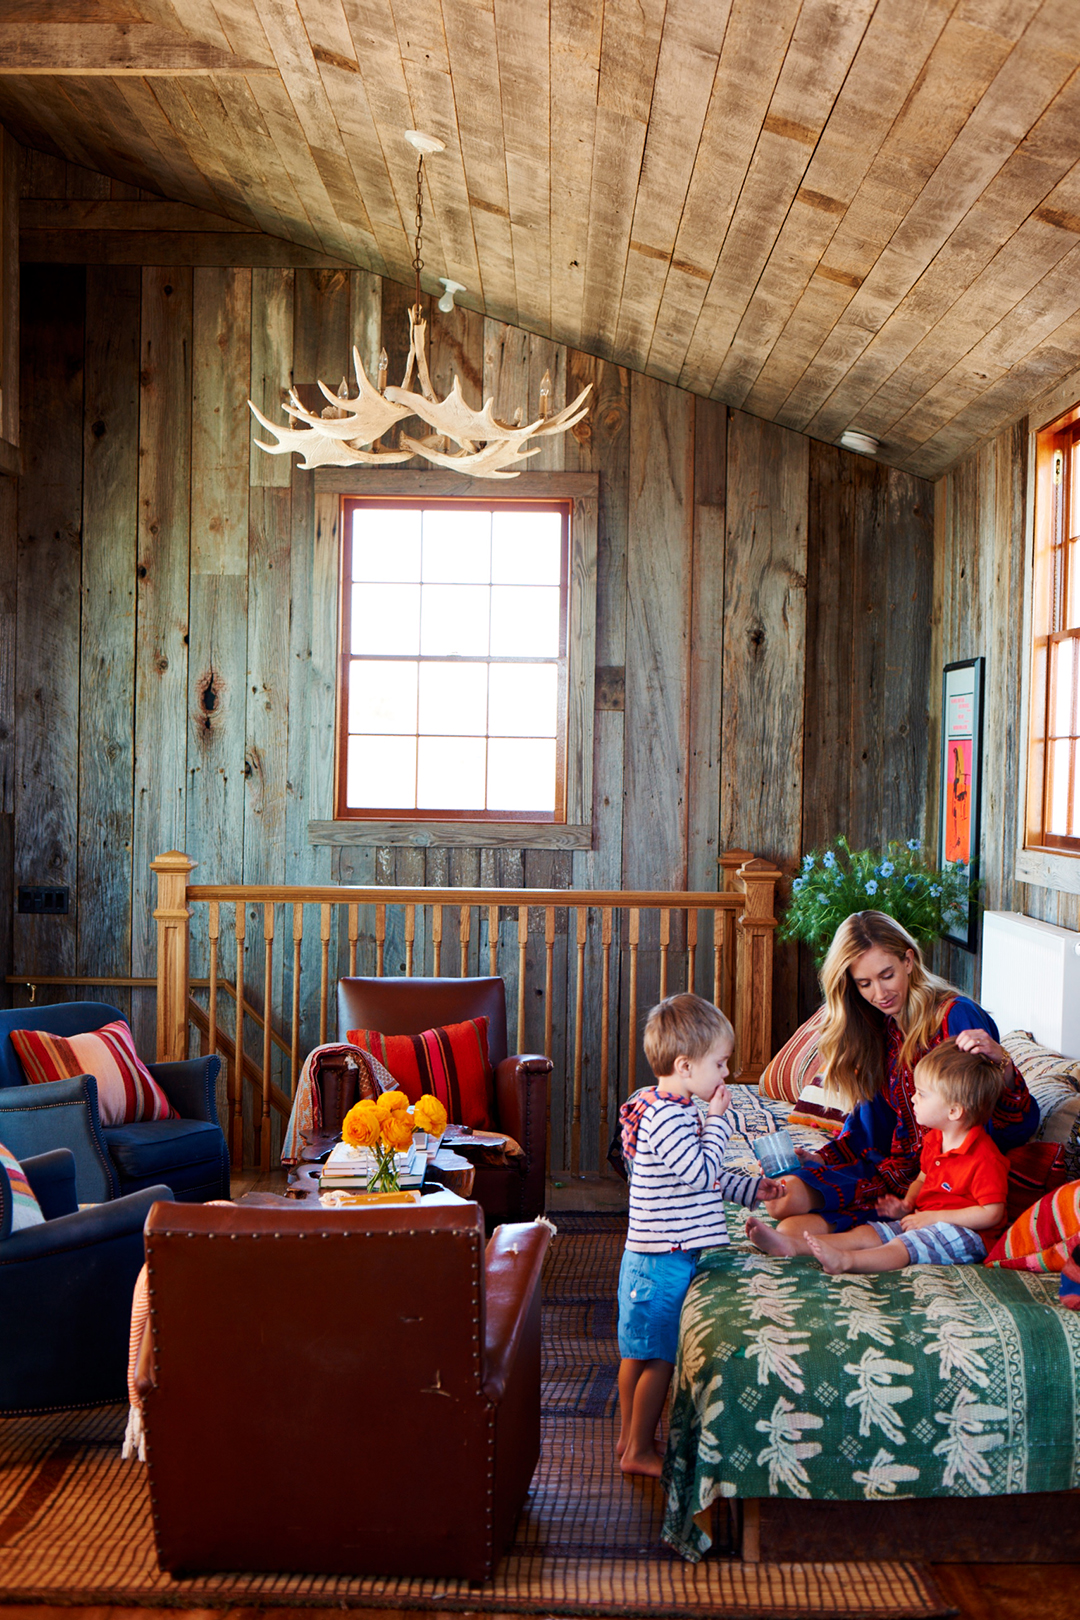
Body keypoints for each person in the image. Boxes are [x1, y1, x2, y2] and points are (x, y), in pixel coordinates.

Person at [761, 910, 1036, 1238]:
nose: (880, 994)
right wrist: (820, 1159)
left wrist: (1002, 1064)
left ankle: (873, 1231)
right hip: (890, 1170)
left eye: (886, 975)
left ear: (908, 960)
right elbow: (868, 1125)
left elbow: (1004, 1125)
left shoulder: (955, 1017)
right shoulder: (881, 1028)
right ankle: (869, 1225)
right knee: (781, 1200)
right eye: (865, 983)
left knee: (790, 1223)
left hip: (944, 1181)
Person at [616, 993, 782, 1478]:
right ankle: (639, 1449)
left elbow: (711, 1178)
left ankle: (629, 1437)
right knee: (658, 1360)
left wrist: (755, 1188)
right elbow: (699, 1170)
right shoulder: (669, 1117)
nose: (726, 1074)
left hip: (655, 1257)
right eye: (721, 1063)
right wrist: (718, 1121)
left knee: (638, 1353)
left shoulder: (673, 1105)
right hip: (661, 1260)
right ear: (686, 1066)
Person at [748, 1040, 1010, 1273]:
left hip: (969, 1235)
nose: (913, 1098)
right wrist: (907, 1204)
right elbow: (922, 1178)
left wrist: (933, 1218)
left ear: (954, 1111)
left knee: (901, 1245)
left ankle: (846, 1261)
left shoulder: (985, 1157)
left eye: (922, 1094)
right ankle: (791, 1246)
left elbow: (992, 1214)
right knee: (869, 1232)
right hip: (925, 1219)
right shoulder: (935, 1139)